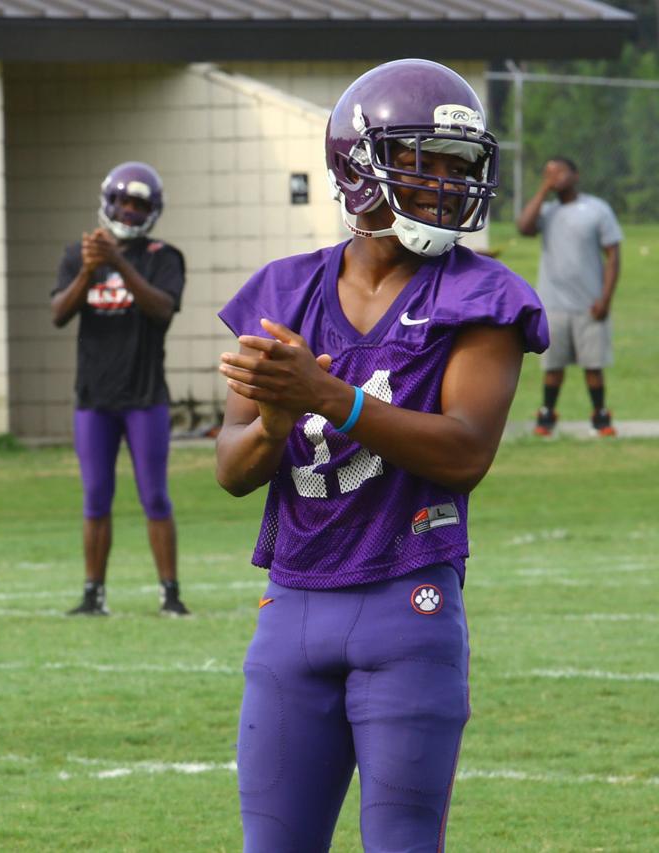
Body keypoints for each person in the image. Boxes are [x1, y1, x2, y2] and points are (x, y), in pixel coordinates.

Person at [215, 59, 548, 851]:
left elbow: (465, 452)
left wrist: (332, 399)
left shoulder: (482, 296)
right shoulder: (283, 290)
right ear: (356, 169)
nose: (443, 183)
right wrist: (271, 418)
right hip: (290, 606)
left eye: (456, 166)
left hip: (409, 603)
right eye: (422, 161)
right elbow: (231, 468)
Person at [51, 162, 190, 618]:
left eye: (139, 204)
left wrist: (119, 263)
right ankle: (93, 593)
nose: (130, 211)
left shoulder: (163, 256)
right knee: (95, 497)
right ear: (109, 203)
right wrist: (90, 270)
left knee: (154, 495)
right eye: (124, 202)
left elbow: (161, 310)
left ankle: (170, 593)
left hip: (145, 396)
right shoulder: (80, 254)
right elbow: (58, 313)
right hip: (94, 398)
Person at [516, 157, 622, 436]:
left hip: (590, 304)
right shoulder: (547, 211)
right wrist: (542, 190)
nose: (554, 178)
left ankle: (601, 417)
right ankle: (547, 417)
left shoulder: (596, 209)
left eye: (559, 172)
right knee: (553, 367)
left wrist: (606, 299)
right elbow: (524, 227)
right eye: (548, 174)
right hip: (553, 304)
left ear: (575, 175)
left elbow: (613, 256)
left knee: (593, 365)